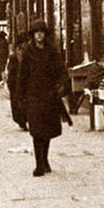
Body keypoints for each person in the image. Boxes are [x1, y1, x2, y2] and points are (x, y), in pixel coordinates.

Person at [17, 22, 67, 176]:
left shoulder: (52, 51)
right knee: (37, 131)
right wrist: (20, 97)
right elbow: (22, 75)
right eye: (36, 32)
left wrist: (60, 85)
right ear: (33, 35)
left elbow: (62, 70)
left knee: (47, 131)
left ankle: (45, 159)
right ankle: (39, 164)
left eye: (41, 32)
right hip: (34, 95)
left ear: (45, 34)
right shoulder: (28, 52)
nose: (39, 35)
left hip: (49, 96)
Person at [5, 35, 27, 130]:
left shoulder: (28, 54)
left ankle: (25, 120)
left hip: (24, 81)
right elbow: (11, 70)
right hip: (15, 82)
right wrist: (10, 84)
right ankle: (21, 121)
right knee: (16, 103)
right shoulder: (14, 56)